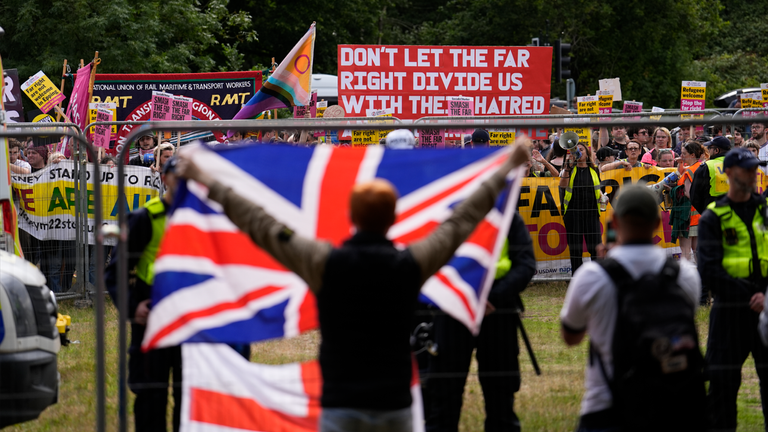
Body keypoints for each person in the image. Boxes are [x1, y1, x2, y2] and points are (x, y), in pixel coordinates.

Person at [175, 138, 531, 432]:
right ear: (395, 218)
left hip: (341, 402)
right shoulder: (411, 265)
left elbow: (262, 225)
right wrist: (508, 165)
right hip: (395, 404)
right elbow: (462, 220)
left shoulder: (324, 263)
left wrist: (208, 180)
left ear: (350, 218)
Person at [560, 184, 702, 432]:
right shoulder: (685, 275)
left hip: (608, 406)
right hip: (674, 404)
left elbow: (571, 336)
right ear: (658, 223)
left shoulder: (592, 276)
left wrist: (609, 262)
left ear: (614, 222)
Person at [426, 212, 536, 432]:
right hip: (452, 310)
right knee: (443, 400)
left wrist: (493, 297)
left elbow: (525, 264)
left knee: (501, 401)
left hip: (497, 312)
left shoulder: (506, 216)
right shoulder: (443, 212)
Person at [106, 158, 182, 432]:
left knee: (190, 399)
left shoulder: (207, 218)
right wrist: (132, 307)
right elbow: (115, 273)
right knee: (150, 395)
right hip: (151, 319)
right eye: (178, 175)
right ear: (165, 179)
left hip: (190, 322)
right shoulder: (145, 218)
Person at [697, 147, 768, 430]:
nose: (753, 174)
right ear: (729, 172)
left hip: (765, 310)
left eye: (755, 168)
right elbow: (710, 271)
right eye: (746, 169)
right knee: (722, 385)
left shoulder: (764, 209)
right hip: (729, 311)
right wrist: (751, 295)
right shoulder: (714, 217)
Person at [560, 142, 602, 275]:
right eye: (575, 151)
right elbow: (562, 185)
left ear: (587, 153)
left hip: (591, 212)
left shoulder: (594, 169)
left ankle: (597, 276)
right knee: (575, 248)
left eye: (581, 149)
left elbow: (598, 187)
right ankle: (577, 277)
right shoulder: (569, 169)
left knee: (595, 246)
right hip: (573, 213)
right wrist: (567, 168)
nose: (578, 152)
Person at [675, 141, 708, 264]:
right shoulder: (702, 166)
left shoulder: (689, 171)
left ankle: (686, 280)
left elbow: (689, 193)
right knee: (697, 251)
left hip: (687, 217)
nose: (681, 156)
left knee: (685, 253)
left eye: (684, 154)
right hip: (699, 216)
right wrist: (680, 165)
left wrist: (674, 190)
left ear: (692, 155)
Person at [690, 136, 731, 215]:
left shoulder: (706, 166)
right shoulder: (740, 165)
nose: (708, 150)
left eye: (709, 148)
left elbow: (695, 196)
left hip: (713, 214)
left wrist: (706, 213)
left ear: (716, 150)